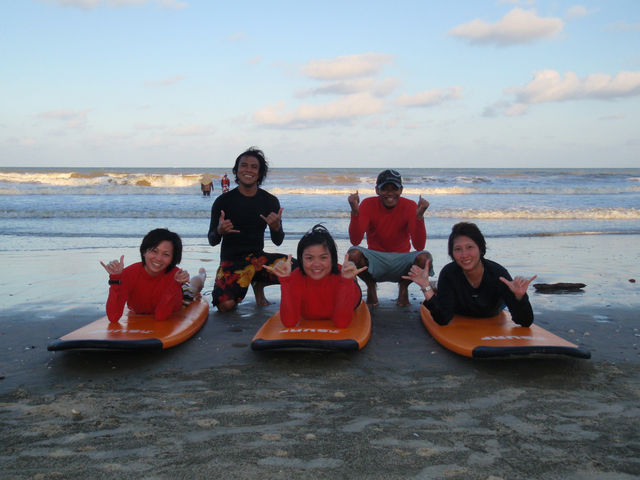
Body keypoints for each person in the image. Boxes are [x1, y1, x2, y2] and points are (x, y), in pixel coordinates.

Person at [403, 222, 536, 326]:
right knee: (438, 293)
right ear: (452, 254)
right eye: (458, 249)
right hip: (459, 306)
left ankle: (436, 286)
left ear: (480, 248)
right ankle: (434, 287)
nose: (464, 255)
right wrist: (426, 287)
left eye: (470, 247)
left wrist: (520, 297)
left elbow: (525, 322)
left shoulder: (498, 274)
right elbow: (443, 320)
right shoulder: (449, 273)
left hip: (491, 307)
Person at [207, 147, 290, 312]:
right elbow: (212, 240)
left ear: (260, 173)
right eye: (244, 165)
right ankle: (247, 282)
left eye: (254, 167)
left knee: (299, 271)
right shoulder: (223, 201)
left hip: (259, 261)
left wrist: (276, 227)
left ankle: (259, 282)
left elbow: (278, 241)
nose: (248, 170)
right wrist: (219, 230)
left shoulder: (270, 201)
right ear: (236, 171)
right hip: (232, 262)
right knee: (225, 305)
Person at [347, 169, 433, 306]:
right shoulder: (368, 204)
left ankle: (403, 287)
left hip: (401, 261)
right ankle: (370, 286)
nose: (390, 193)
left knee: (425, 257)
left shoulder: (410, 206)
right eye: (384, 189)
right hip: (376, 260)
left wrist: (419, 216)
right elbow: (356, 240)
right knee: (353, 254)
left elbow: (419, 246)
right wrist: (355, 212)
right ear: (377, 190)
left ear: (401, 190)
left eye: (394, 189)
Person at [264, 224, 365, 328]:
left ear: (332, 258)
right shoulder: (295, 277)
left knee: (348, 279)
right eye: (309, 258)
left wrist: (347, 282)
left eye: (323, 257)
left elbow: (342, 323)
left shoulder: (342, 278)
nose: (316, 264)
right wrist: (285, 281)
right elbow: (289, 323)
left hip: (346, 284)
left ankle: (354, 279)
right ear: (301, 259)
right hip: (315, 293)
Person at [100, 228, 206, 323]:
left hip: (175, 298)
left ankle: (202, 275)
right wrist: (115, 279)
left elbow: (161, 316)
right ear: (144, 252)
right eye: (154, 251)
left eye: (166, 254)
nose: (158, 258)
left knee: (193, 288)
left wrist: (175, 284)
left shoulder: (174, 276)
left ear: (172, 259)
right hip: (148, 304)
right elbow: (113, 317)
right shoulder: (128, 274)